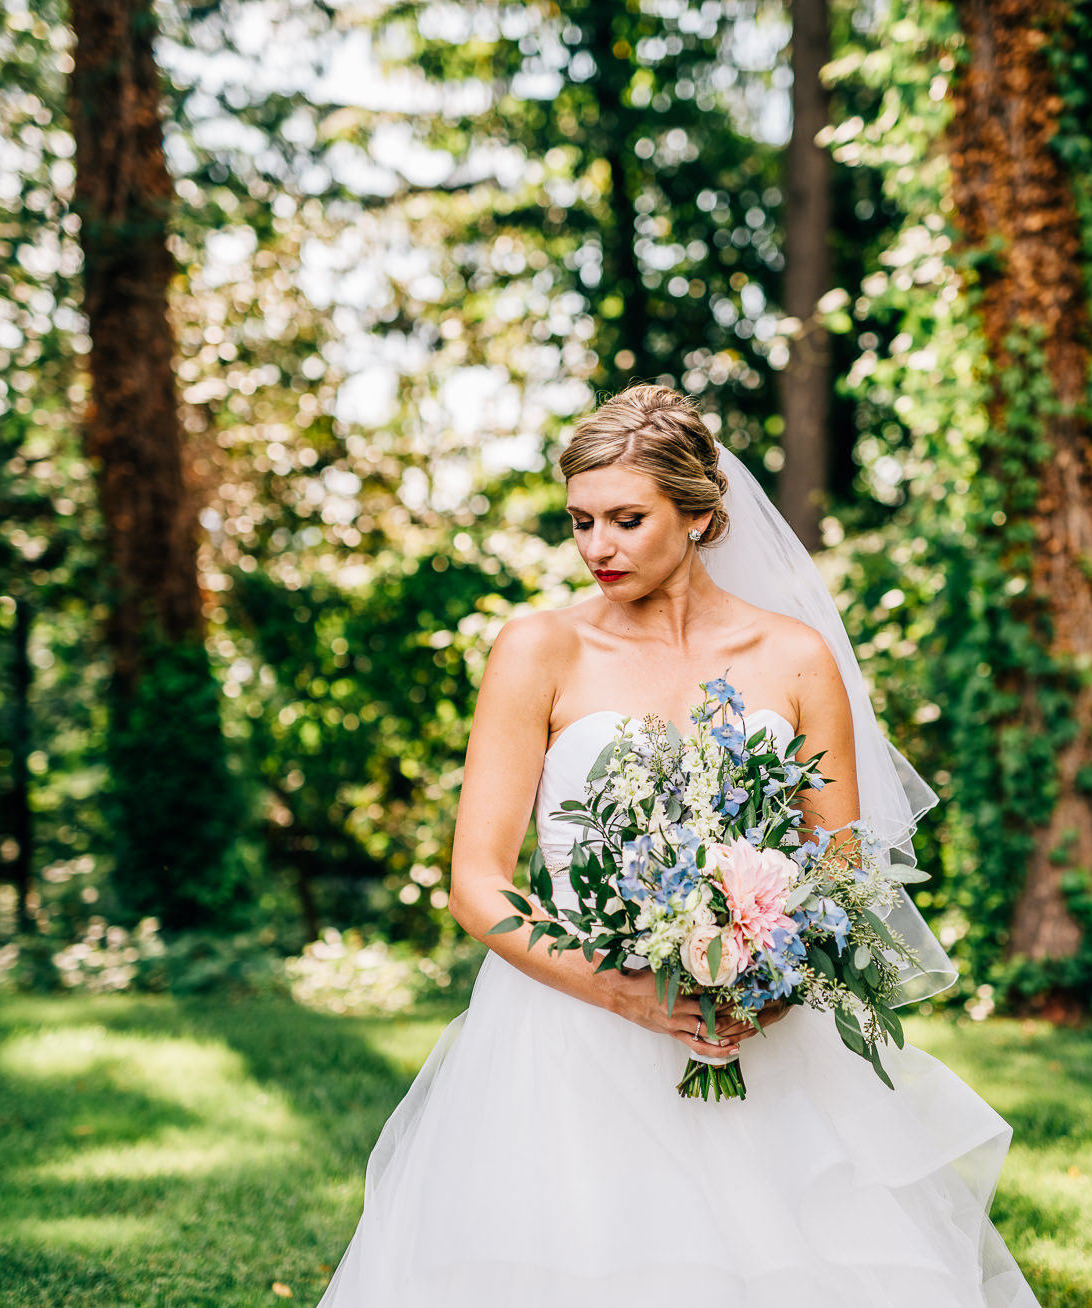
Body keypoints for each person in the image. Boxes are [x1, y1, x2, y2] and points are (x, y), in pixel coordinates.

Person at [317, 385, 1041, 1308]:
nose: (597, 548)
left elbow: (844, 864)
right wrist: (629, 994)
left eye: (627, 519)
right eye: (580, 521)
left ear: (699, 515)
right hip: (564, 1029)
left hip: (762, 1034)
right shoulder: (539, 650)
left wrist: (770, 984)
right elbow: (477, 884)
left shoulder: (793, 656)